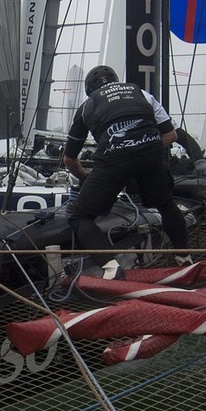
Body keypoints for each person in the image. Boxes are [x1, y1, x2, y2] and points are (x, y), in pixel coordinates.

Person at [62, 65, 192, 268]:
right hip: (151, 153)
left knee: (79, 216)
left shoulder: (87, 106)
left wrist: (86, 176)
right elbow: (171, 135)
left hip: (112, 159)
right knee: (166, 205)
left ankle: (110, 267)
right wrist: (143, 150)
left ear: (90, 90)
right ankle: (184, 259)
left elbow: (69, 160)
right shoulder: (142, 93)